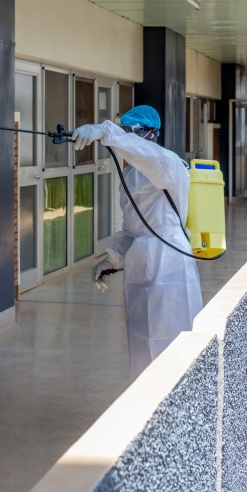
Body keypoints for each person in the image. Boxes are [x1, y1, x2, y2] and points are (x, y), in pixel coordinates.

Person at [72, 106, 203, 379]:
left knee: (173, 342)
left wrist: (105, 131)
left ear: (152, 134)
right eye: (127, 131)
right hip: (140, 264)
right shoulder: (130, 178)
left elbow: (145, 154)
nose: (131, 139)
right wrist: (111, 258)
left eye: (135, 132)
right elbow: (133, 230)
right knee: (142, 342)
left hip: (169, 261)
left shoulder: (169, 164)